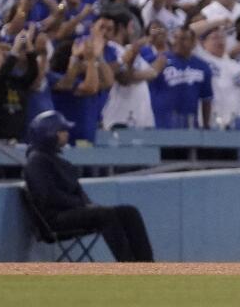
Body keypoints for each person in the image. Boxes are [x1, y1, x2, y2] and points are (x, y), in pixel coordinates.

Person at [23, 111, 154, 262]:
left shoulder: (54, 160)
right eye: (62, 131)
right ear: (50, 134)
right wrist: (82, 205)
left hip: (71, 211)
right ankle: (128, 264)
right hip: (54, 219)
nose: (67, 134)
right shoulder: (37, 162)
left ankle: (147, 264)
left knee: (129, 212)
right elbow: (48, 197)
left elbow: (75, 190)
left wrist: (86, 205)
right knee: (105, 215)